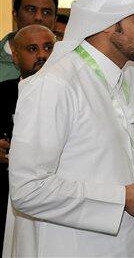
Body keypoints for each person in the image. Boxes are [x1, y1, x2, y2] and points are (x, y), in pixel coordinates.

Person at [5, 0, 134, 257]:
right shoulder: (55, 84)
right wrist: (123, 199)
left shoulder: (126, 79)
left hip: (124, 244)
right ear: (110, 24)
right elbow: (28, 190)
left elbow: (111, 163)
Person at [0, 24, 56, 251]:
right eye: (32, 49)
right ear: (15, 56)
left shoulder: (71, 94)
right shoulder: (2, 93)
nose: (42, 55)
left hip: (52, 201)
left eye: (48, 48)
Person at [0, 0, 58, 82]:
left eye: (46, 12)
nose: (38, 17)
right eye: (30, 10)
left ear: (55, 19)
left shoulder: (67, 59)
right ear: (15, 15)